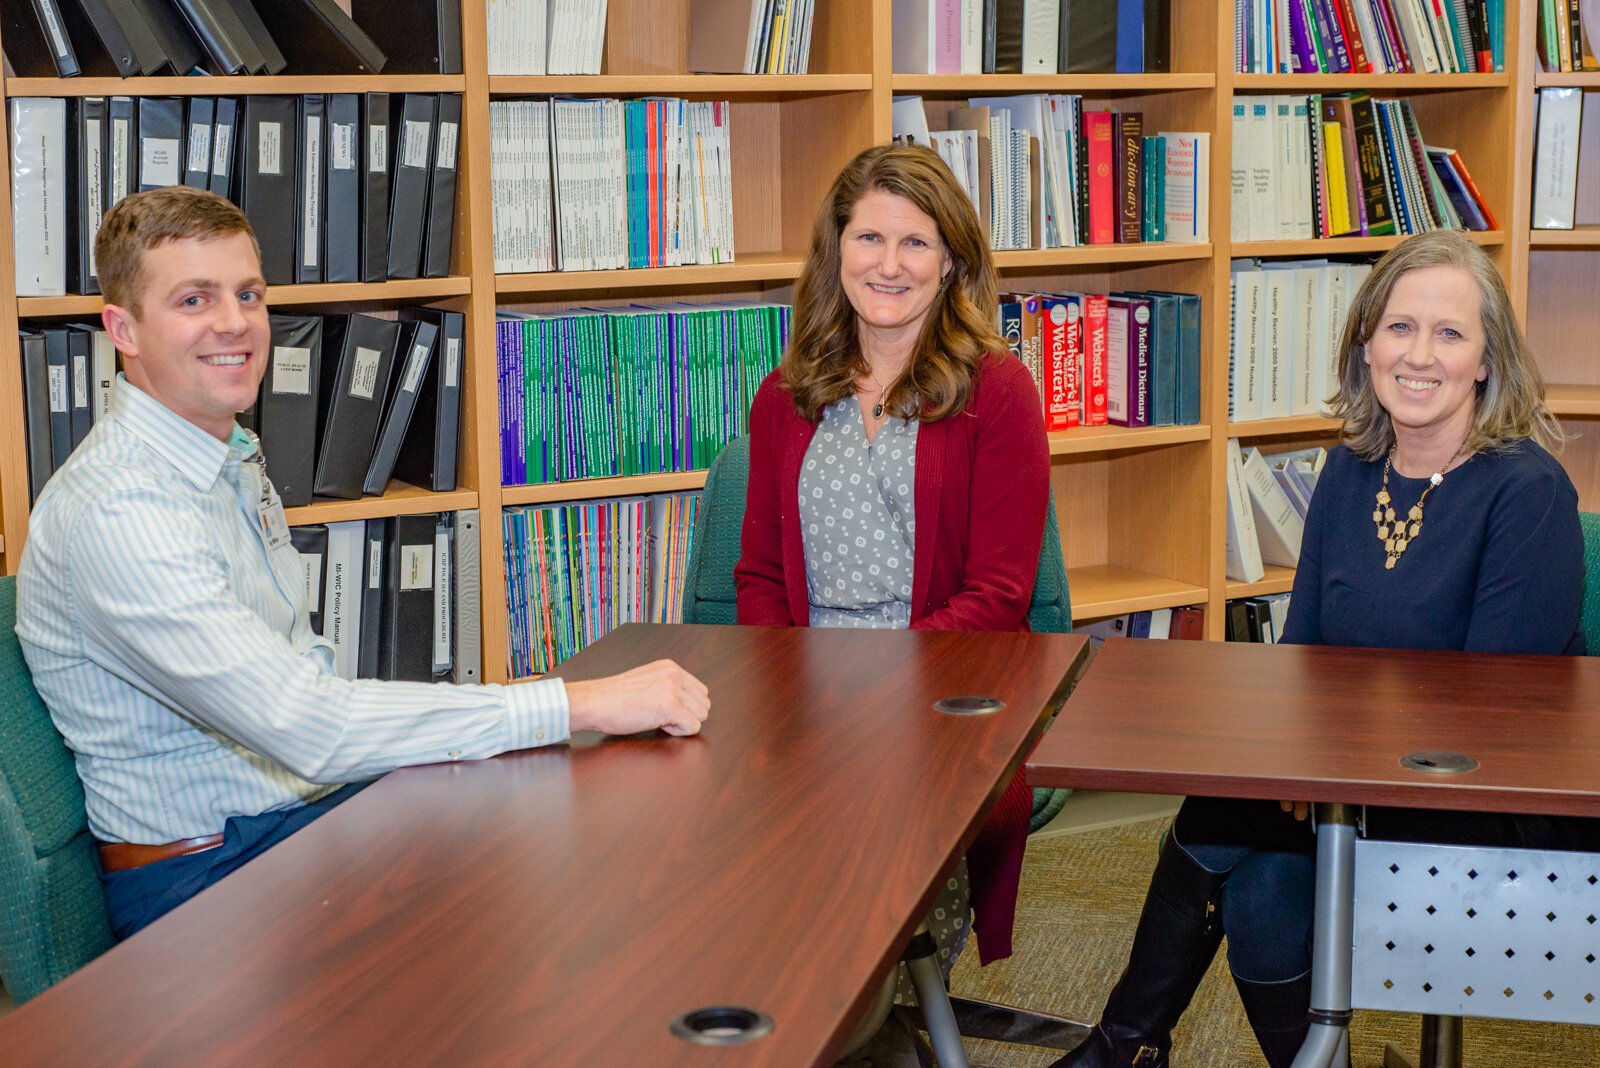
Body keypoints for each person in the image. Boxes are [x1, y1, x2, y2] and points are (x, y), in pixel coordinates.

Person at [14, 186, 710, 941]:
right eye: (193, 300)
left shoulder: (227, 455)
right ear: (124, 329)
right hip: (208, 885)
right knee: (548, 894)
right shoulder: (123, 512)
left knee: (578, 814)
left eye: (249, 294)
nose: (235, 323)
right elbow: (309, 726)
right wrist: (578, 702)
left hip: (297, 819)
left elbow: (310, 686)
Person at [1057, 228, 1588, 1068]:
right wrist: (1304, 767)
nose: (1419, 355)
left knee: (1225, 830)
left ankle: (1121, 1047)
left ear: (1488, 361)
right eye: (1399, 328)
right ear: (1366, 344)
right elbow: (1300, 660)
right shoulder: (1350, 471)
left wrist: (1322, 770)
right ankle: (1128, 1045)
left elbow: (1489, 725)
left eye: (1450, 333)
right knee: (1262, 897)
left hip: (1482, 814)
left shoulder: (1527, 494)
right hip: (1346, 788)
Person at [735, 142, 1050, 1011]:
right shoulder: (787, 395)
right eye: (869, 238)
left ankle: (849, 1010)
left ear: (951, 261)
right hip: (802, 696)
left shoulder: (1000, 392)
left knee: (848, 942)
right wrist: (793, 689)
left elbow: (997, 598)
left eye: (915, 243)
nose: (889, 264)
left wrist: (875, 691)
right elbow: (759, 574)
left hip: (940, 702)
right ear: (836, 253)